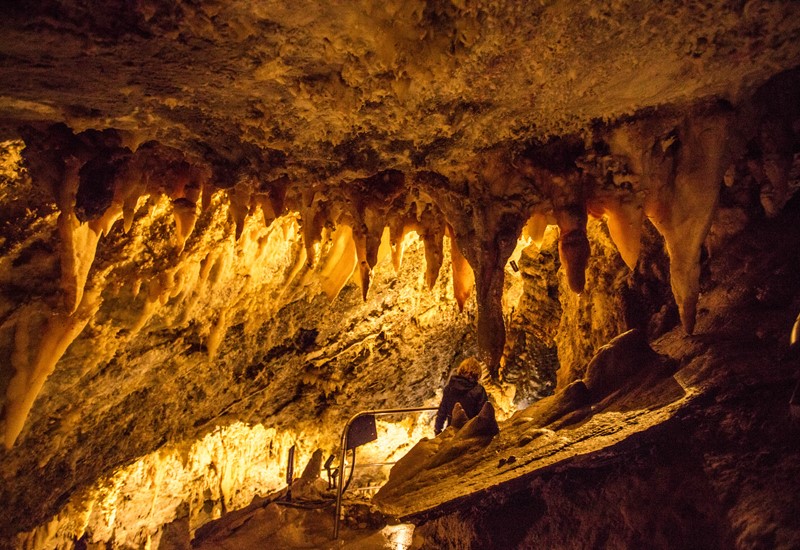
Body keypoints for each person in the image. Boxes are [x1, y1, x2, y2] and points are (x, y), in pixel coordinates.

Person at [434, 357, 488, 435]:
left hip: (451, 432)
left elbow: (442, 411)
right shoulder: (478, 391)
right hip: (470, 433)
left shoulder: (449, 388)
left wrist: (437, 430)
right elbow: (483, 415)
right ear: (477, 374)